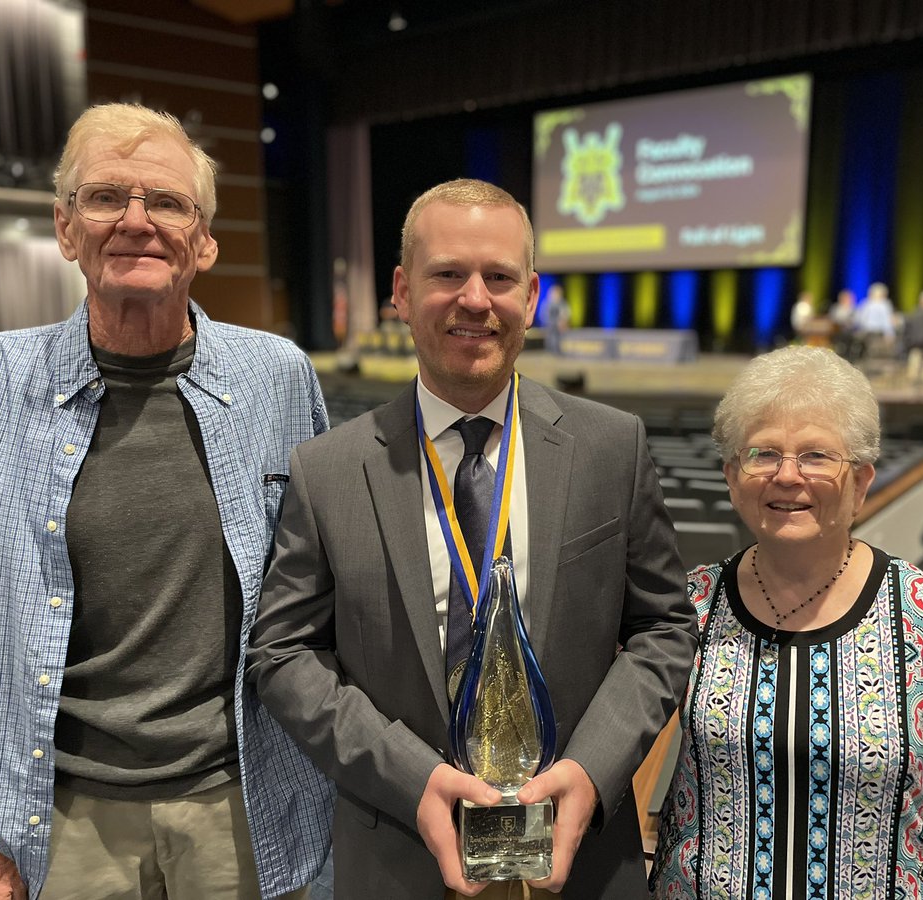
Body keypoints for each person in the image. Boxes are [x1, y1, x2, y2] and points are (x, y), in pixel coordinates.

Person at [0, 103, 333, 900]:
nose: (136, 221)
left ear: (204, 240)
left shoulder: (278, 378)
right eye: (106, 197)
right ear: (66, 228)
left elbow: (316, 602)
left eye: (166, 202)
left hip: (240, 808)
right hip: (57, 819)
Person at [247, 178, 698, 900]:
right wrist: (411, 776)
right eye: (448, 274)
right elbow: (283, 654)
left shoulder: (612, 448)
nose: (476, 299)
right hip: (397, 858)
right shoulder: (328, 469)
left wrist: (590, 771)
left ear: (533, 295)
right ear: (401, 291)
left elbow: (664, 629)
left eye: (500, 277)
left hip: (581, 859)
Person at [649, 345, 923, 900]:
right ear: (732, 477)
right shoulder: (690, 605)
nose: (786, 476)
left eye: (817, 456)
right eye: (763, 454)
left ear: (861, 482)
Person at [543, 282, 571, 354]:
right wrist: (550, 322)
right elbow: (544, 315)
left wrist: (563, 321)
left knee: (558, 339)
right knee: (551, 338)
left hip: (559, 326)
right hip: (550, 325)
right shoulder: (547, 304)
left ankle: (557, 351)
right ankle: (550, 351)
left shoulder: (562, 303)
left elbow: (566, 313)